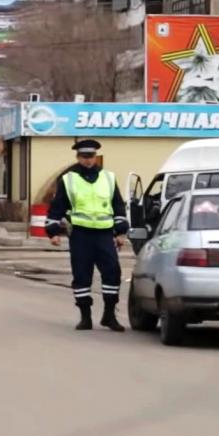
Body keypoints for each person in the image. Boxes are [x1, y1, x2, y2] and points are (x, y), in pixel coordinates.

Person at [45, 139, 129, 332]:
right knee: (82, 275)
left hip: (104, 234)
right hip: (81, 235)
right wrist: (53, 232)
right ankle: (85, 317)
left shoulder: (108, 178)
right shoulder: (69, 179)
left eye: (90, 157)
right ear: (78, 157)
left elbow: (117, 205)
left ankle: (109, 315)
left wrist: (121, 232)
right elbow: (58, 207)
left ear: (95, 157)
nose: (88, 160)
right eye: (84, 157)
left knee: (112, 273)